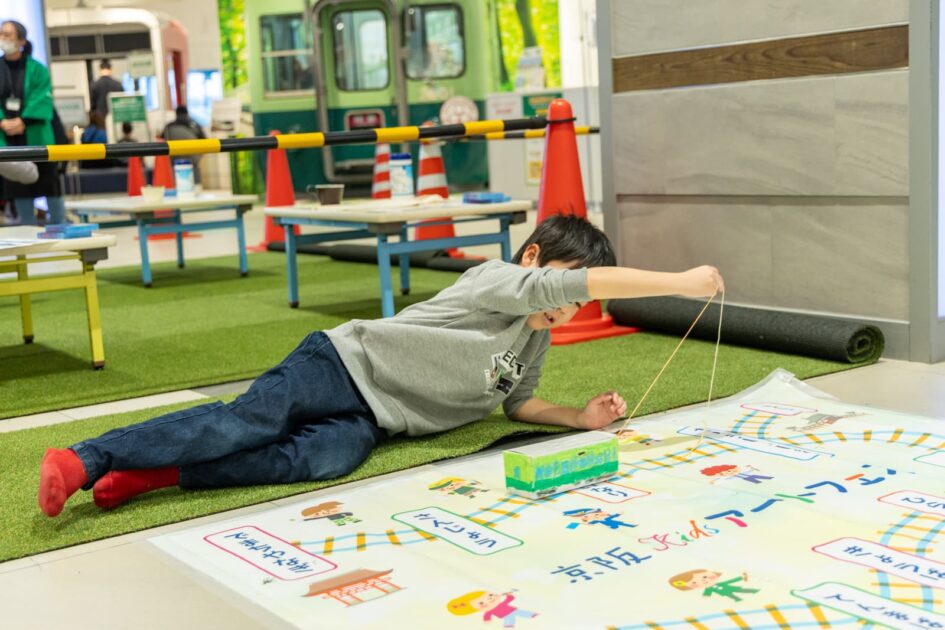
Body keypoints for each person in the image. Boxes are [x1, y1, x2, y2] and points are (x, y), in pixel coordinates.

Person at [36, 215, 725, 517]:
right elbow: (574, 285)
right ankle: (85, 458)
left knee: (320, 459)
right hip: (340, 362)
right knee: (244, 423)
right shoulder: (495, 280)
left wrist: (578, 418)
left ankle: (155, 474)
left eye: (575, 307)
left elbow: (517, 404)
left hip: (377, 419)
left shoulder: (534, 341)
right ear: (533, 262)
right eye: (563, 292)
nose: (566, 310)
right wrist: (680, 281)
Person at [0, 20, 66, 226]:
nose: (3, 38)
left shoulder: (38, 69)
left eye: (8, 34)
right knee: (18, 187)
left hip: (36, 134)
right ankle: (26, 230)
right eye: (1, 34)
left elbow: (43, 98)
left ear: (21, 40)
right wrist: (2, 122)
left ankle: (60, 226)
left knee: (50, 185)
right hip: (7, 139)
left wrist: (23, 120)